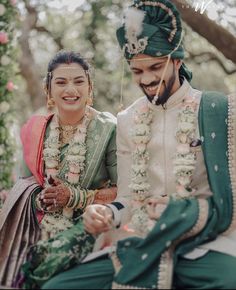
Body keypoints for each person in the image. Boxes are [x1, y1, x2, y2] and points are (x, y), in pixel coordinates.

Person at [43, 1, 236, 289]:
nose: (147, 80)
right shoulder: (129, 119)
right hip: (142, 242)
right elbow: (128, 199)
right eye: (137, 71)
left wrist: (182, 212)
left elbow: (229, 193)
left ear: (177, 61)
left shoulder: (219, 112)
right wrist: (108, 213)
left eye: (156, 67)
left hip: (203, 244)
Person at [0, 51, 117, 288]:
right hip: (36, 225)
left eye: (78, 81)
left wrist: (73, 196)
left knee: (40, 265)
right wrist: (40, 198)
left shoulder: (108, 129)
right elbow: (26, 185)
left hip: (89, 225)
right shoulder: (36, 129)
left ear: (90, 87)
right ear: (48, 90)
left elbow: (124, 191)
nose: (70, 90)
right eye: (61, 82)